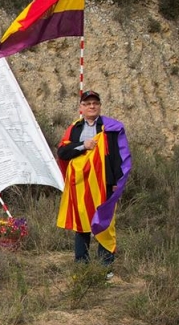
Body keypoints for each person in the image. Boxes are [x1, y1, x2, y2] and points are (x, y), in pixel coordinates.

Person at [56, 90, 132, 278]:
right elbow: (63, 152)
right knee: (81, 225)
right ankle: (82, 265)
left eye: (95, 103)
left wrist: (116, 181)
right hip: (80, 185)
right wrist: (83, 145)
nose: (91, 106)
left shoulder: (110, 128)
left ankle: (105, 267)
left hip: (103, 183)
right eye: (87, 103)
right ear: (81, 107)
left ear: (99, 106)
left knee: (104, 222)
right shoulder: (74, 128)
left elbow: (117, 156)